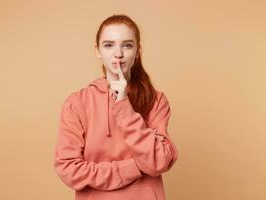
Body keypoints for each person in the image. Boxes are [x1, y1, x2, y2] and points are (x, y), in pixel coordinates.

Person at [54, 14, 179, 200]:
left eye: (127, 45)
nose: (118, 53)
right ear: (98, 51)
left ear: (137, 51)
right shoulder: (77, 103)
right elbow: (68, 169)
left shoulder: (156, 100)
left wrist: (124, 107)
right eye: (109, 45)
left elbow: (158, 162)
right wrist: (134, 167)